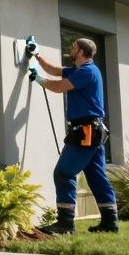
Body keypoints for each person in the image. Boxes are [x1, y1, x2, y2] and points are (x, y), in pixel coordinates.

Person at [28, 38, 118, 235]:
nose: (71, 49)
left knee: (64, 173)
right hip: (93, 131)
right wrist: (36, 54)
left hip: (85, 131)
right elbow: (55, 70)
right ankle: (110, 222)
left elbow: (59, 87)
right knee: (97, 177)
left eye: (74, 47)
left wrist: (38, 80)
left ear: (82, 51)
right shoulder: (79, 70)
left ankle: (65, 223)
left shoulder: (87, 71)